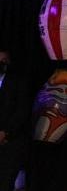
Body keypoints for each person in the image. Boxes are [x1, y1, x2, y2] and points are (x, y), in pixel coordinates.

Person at [0, 49, 30, 191]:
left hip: (11, 140)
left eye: (4, 61)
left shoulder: (18, 82)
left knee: (6, 181)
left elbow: (22, 110)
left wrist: (5, 132)